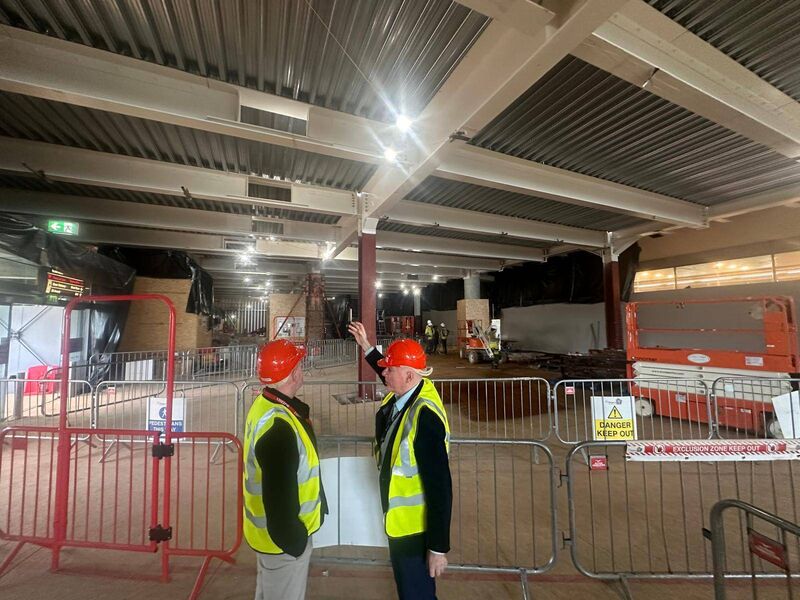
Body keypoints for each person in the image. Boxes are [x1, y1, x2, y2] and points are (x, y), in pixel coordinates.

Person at [347, 321, 452, 600]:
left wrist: (438, 548)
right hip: (399, 525)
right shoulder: (407, 390)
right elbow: (385, 371)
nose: (385, 374)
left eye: (390, 370)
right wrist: (367, 346)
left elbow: (441, 487)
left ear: (408, 375)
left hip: (414, 532)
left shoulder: (425, 417)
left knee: (416, 594)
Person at [243, 339, 327, 600]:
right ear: (293, 374)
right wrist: (295, 542)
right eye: (299, 365)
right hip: (282, 544)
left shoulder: (266, 405)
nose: (302, 370)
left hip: (269, 538)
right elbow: (278, 498)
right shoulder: (279, 427)